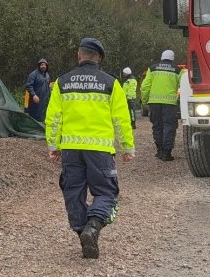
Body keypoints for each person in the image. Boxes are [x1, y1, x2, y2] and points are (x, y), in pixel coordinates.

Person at [45, 38, 135, 259]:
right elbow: (121, 120)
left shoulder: (62, 83)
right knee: (106, 193)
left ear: (79, 55)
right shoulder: (111, 83)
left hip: (71, 150)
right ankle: (93, 227)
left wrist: (53, 145)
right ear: (100, 59)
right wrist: (127, 148)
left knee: (73, 193)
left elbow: (53, 118)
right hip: (100, 151)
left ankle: (83, 234)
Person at [140, 50, 184, 161]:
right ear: (172, 58)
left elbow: (145, 86)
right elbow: (184, 86)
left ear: (161, 57)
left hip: (154, 103)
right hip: (170, 104)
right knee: (169, 127)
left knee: (157, 126)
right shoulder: (178, 70)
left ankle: (159, 150)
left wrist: (145, 100)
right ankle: (166, 153)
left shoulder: (152, 68)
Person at [25, 58, 51, 122]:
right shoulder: (33, 74)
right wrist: (34, 95)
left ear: (47, 66)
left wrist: (50, 95)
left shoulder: (47, 75)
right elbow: (29, 85)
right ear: (39, 65)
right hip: (35, 100)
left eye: (45, 65)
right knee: (34, 117)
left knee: (43, 116)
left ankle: (40, 130)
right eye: (42, 65)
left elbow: (48, 86)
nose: (43, 66)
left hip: (44, 100)